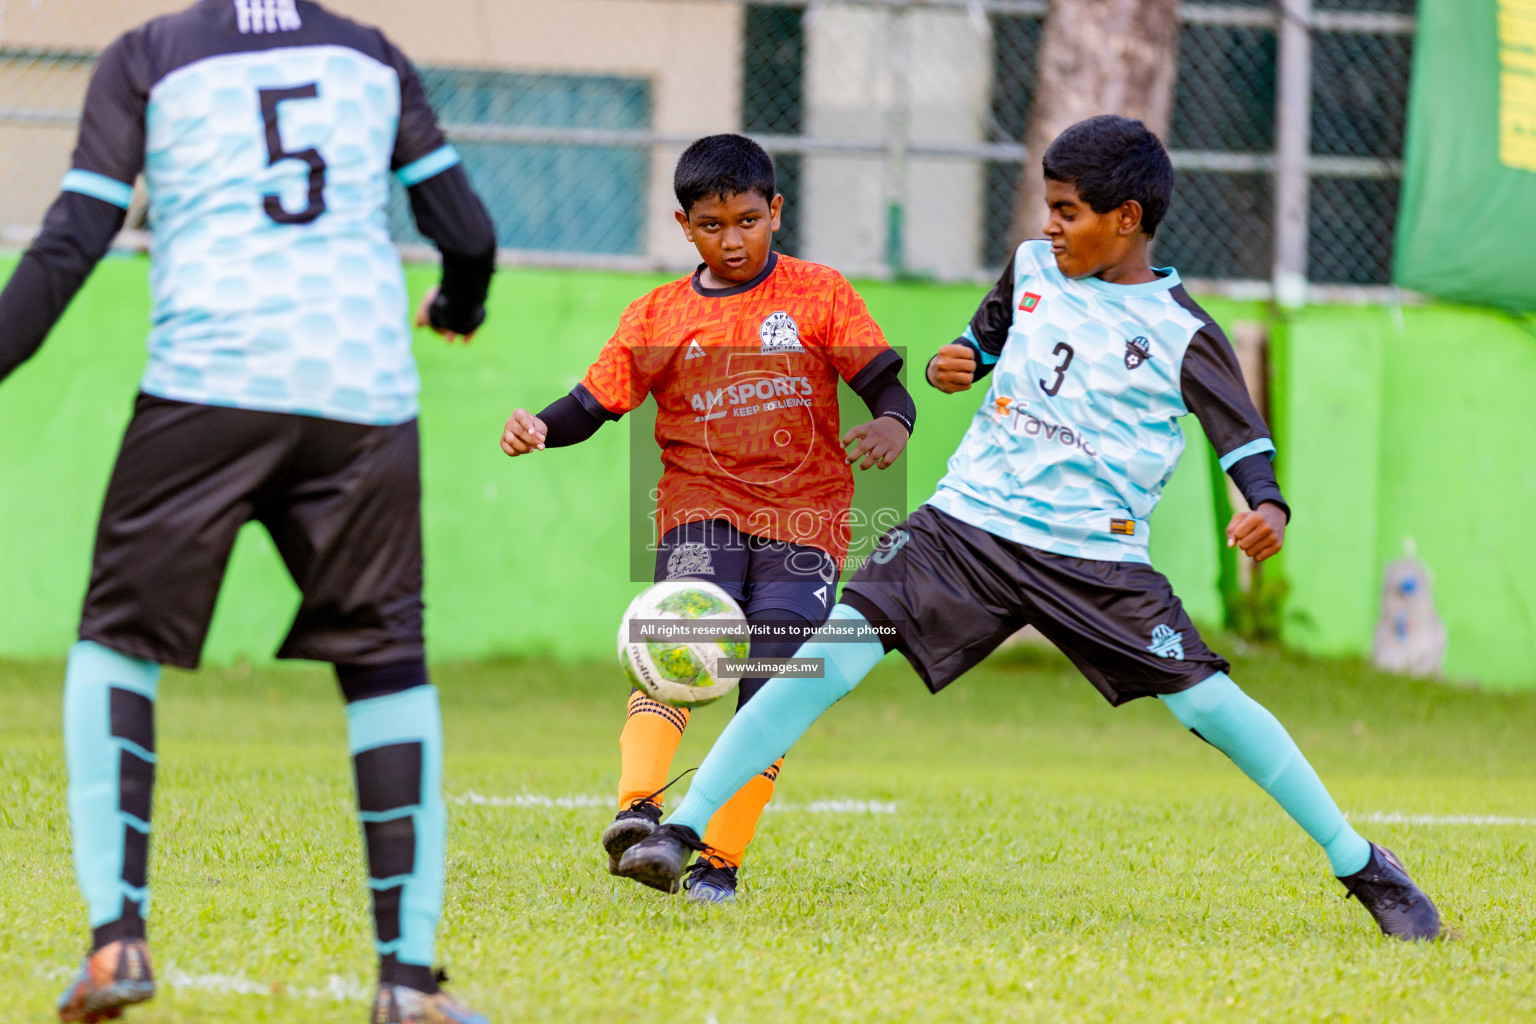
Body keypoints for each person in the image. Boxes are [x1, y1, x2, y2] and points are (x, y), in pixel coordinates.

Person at [615, 115, 1441, 942]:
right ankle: (684, 829)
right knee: (820, 657)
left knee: (1208, 708)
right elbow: (985, 338)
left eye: (1068, 210)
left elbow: (1244, 440)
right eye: (1048, 206)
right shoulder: (1032, 266)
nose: (1050, 224)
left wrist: (1266, 505)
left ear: (1127, 219)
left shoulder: (1183, 331)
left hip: (1093, 558)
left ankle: (1361, 862)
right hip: (966, 525)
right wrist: (958, 360)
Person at [0, 2, 498, 1020]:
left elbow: (75, 236)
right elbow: (469, 233)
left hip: (207, 383)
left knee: (117, 643)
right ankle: (407, 982)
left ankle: (116, 943)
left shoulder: (145, 56)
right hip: (361, 397)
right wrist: (458, 305)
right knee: (386, 658)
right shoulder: (371, 55)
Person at [499, 134, 915, 904]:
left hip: (806, 524)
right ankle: (637, 810)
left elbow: (889, 388)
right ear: (684, 225)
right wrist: (542, 427)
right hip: (700, 513)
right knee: (676, 649)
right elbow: (592, 406)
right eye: (714, 225)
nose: (733, 240)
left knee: (773, 684)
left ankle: (716, 861)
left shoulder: (819, 294)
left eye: (749, 221)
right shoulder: (658, 314)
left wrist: (894, 426)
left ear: (776, 213)